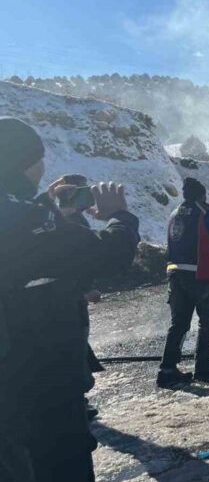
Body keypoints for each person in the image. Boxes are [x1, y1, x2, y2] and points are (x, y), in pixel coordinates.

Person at [0, 117, 140, 482]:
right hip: (39, 394)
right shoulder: (25, 221)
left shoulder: (23, 217)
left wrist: (48, 209)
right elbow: (110, 256)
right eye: (38, 160)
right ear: (25, 163)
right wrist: (120, 217)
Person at [157, 177, 209, 388]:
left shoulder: (175, 212)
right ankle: (203, 367)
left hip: (175, 273)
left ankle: (167, 369)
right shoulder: (205, 210)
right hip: (200, 275)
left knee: (178, 323)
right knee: (206, 322)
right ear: (201, 195)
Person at [50, 173, 106, 421]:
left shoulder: (50, 218)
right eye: (84, 191)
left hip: (55, 297)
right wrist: (86, 287)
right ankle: (76, 401)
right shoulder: (72, 221)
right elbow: (80, 258)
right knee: (74, 344)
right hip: (69, 296)